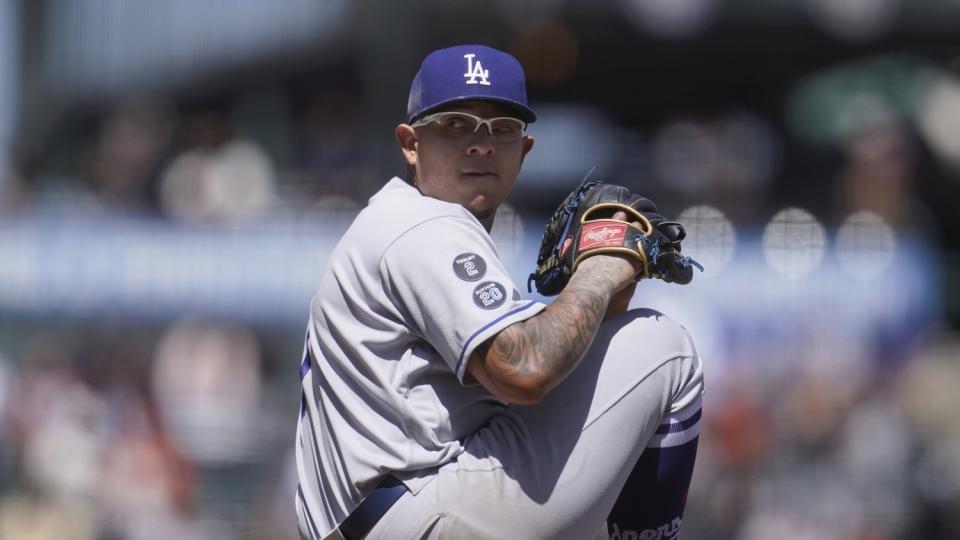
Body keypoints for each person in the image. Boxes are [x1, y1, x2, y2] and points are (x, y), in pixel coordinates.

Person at [294, 44, 704, 540]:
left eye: (501, 129)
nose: (481, 144)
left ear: (523, 150)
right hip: (420, 513)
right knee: (663, 345)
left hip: (394, 517)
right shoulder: (422, 224)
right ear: (410, 143)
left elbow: (539, 362)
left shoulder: (395, 227)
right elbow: (524, 370)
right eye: (456, 125)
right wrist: (600, 272)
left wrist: (602, 291)